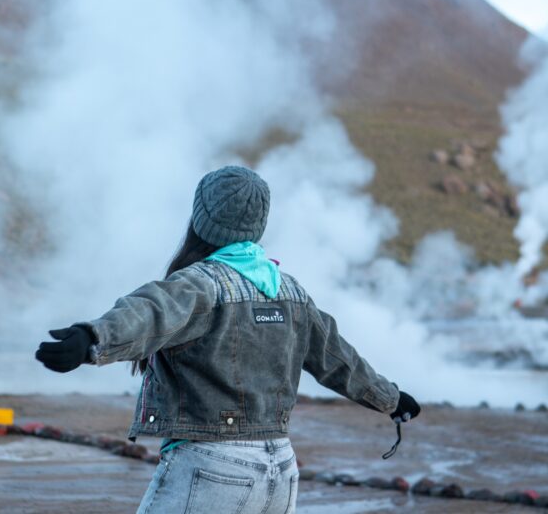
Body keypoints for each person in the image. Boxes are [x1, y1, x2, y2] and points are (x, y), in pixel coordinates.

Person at [35, 165, 420, 514]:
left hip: (212, 466)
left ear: (201, 221)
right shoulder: (291, 292)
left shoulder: (202, 284)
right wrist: (390, 398)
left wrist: (91, 337)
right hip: (281, 471)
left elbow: (150, 312)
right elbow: (339, 360)